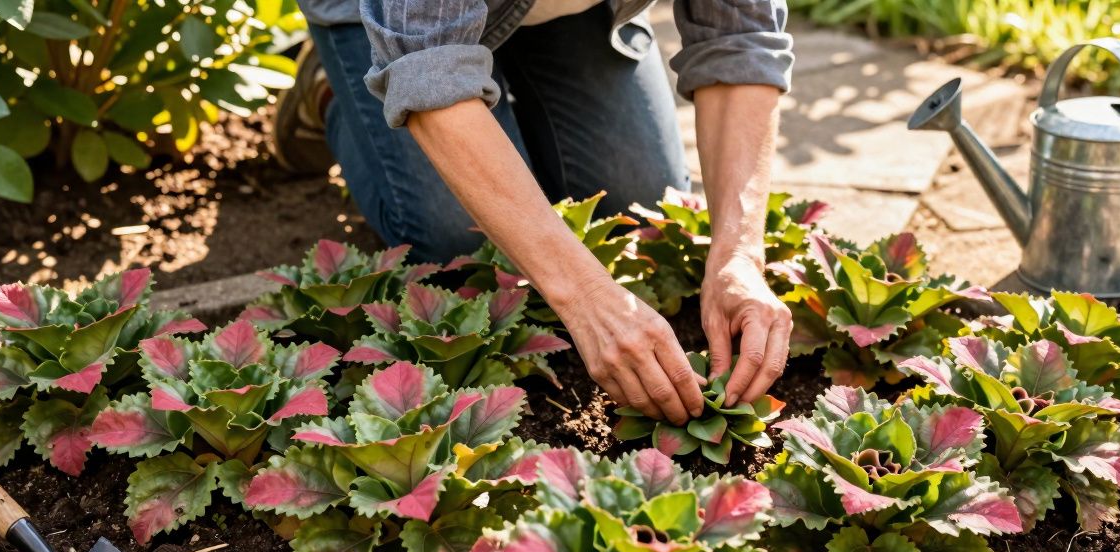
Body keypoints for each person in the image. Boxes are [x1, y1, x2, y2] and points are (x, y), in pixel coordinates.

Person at [272, 0, 795, 428]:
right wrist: (586, 297)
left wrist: (739, 254)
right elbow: (426, 64)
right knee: (457, 237)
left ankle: (502, 87)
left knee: (637, 203)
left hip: (569, 12)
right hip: (408, 22)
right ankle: (333, 89)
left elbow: (741, 38)